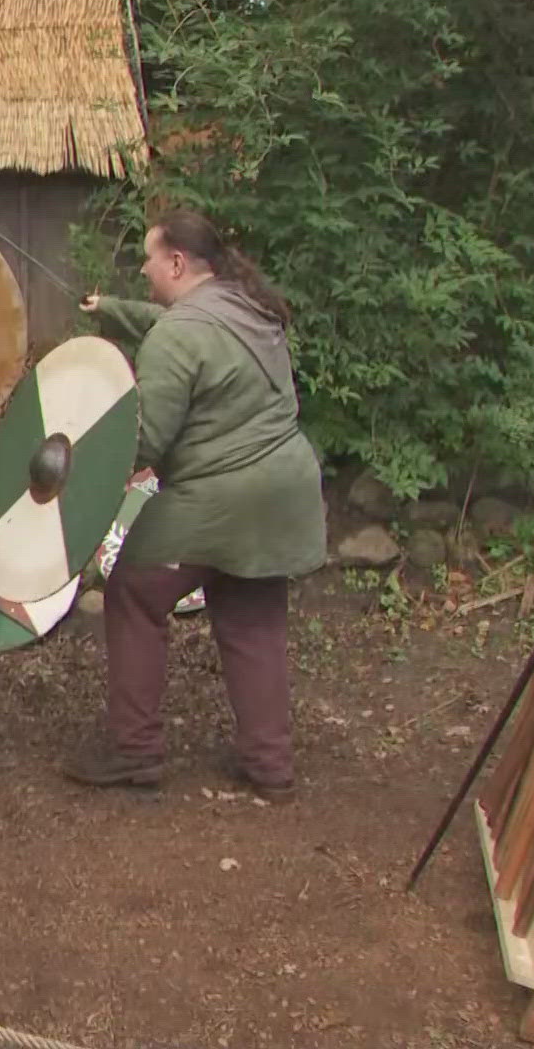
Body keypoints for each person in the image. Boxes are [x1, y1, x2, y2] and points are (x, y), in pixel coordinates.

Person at [62, 210, 326, 802]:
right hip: (285, 490)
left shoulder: (177, 336)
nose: (145, 272)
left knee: (133, 592)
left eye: (150, 261)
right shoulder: (246, 307)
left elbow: (147, 439)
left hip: (220, 495)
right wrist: (109, 309)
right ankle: (271, 767)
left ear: (177, 262)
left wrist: (77, 464)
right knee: (251, 619)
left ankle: (135, 751)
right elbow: (169, 321)